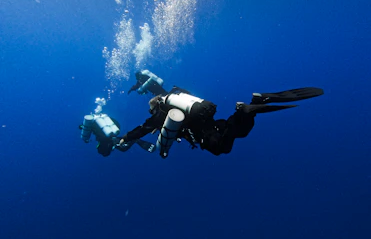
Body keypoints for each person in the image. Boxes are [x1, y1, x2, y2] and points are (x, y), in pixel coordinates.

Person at [118, 86, 324, 157]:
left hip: (203, 131)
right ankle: (250, 107)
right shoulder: (178, 100)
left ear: (156, 106)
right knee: (238, 131)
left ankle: (247, 110)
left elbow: (143, 128)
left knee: (219, 148)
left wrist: (126, 138)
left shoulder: (161, 114)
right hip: (211, 119)